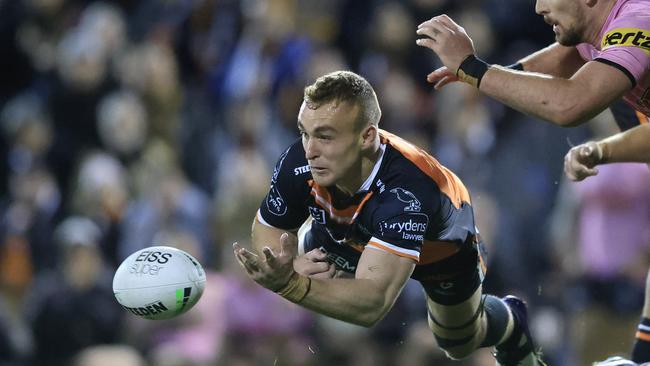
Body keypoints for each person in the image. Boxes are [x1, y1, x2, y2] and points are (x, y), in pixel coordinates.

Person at [232, 70, 546, 365]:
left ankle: (512, 322)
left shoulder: (409, 190)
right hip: (353, 233)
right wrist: (288, 265)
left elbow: (372, 304)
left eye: (325, 136)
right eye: (305, 133)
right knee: (311, 254)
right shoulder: (299, 161)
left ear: (367, 137)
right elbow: (269, 227)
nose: (310, 150)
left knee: (457, 342)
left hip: (440, 247)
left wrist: (292, 285)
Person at [416, 0, 649, 362]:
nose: (539, 6)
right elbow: (566, 58)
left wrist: (475, 69)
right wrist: (487, 78)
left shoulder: (640, 21)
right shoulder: (599, 32)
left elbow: (571, 103)